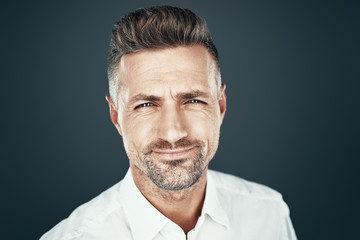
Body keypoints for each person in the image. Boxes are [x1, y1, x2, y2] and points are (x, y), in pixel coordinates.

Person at [40, 6, 297, 240]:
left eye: (193, 101)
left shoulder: (269, 215)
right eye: (146, 105)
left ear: (220, 106)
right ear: (116, 116)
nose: (173, 132)